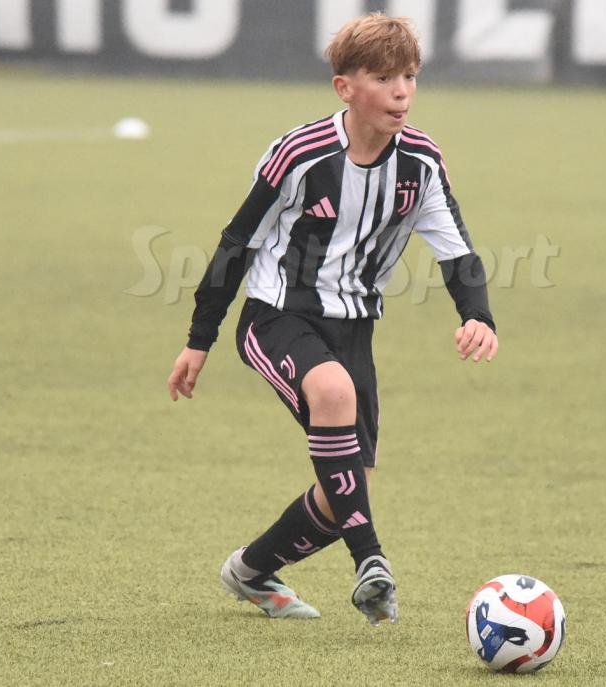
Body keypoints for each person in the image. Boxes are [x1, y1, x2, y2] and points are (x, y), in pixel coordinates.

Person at [167, 12, 498, 626]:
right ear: (345, 87)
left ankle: (250, 570)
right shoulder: (299, 154)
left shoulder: (421, 162)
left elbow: (457, 251)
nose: (402, 92)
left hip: (355, 331)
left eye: (410, 76)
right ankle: (371, 561)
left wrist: (478, 315)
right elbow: (237, 243)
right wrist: (199, 339)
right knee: (333, 393)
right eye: (384, 78)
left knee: (344, 489)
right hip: (276, 316)